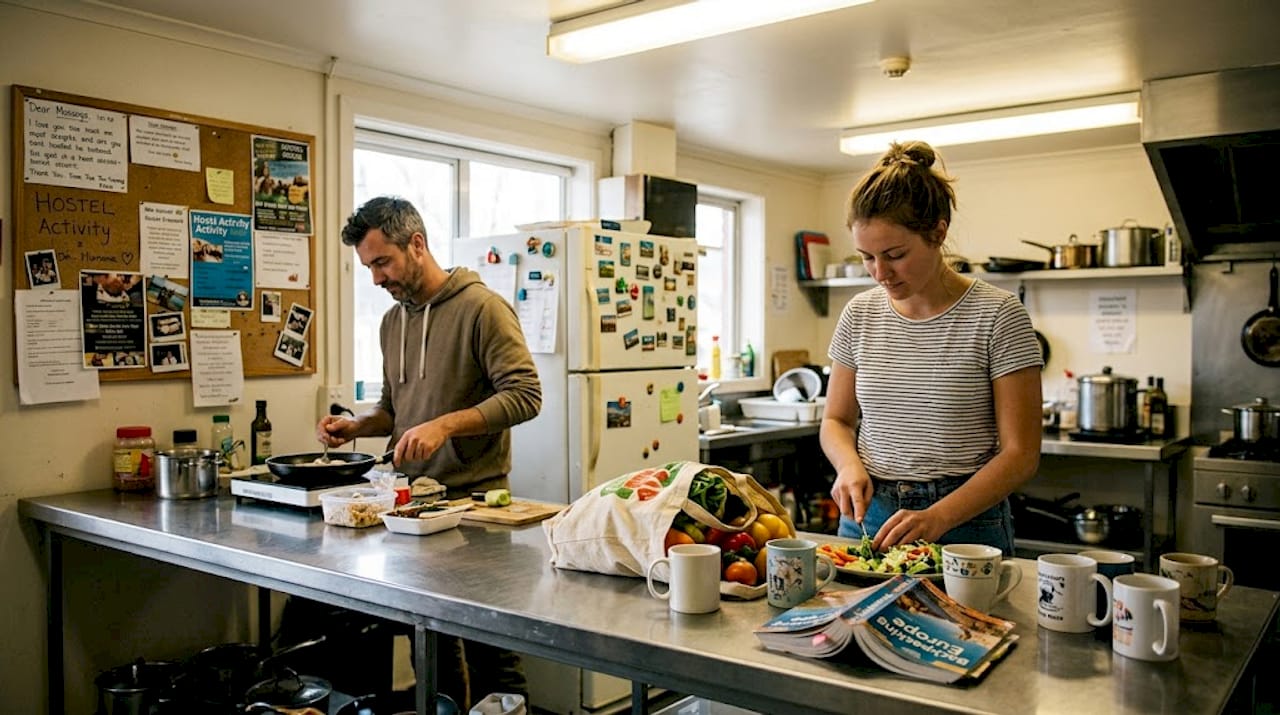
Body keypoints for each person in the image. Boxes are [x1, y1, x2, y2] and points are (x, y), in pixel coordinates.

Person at [315, 195, 541, 707]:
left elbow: (526, 395)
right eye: (369, 267)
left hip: (475, 507)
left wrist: (444, 426)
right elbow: (394, 410)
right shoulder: (393, 322)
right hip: (412, 507)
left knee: (491, 653)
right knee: (430, 645)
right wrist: (356, 426)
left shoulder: (483, 309)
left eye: (382, 262)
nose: (376, 278)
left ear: (416, 244)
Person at [819, 141, 1042, 557]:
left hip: (967, 519)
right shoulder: (859, 314)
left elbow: (1021, 454)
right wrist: (848, 465)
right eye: (866, 257)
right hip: (871, 514)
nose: (880, 273)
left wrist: (938, 516)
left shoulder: (998, 315)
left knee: (975, 626)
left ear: (938, 233)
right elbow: (836, 419)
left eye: (895, 255)